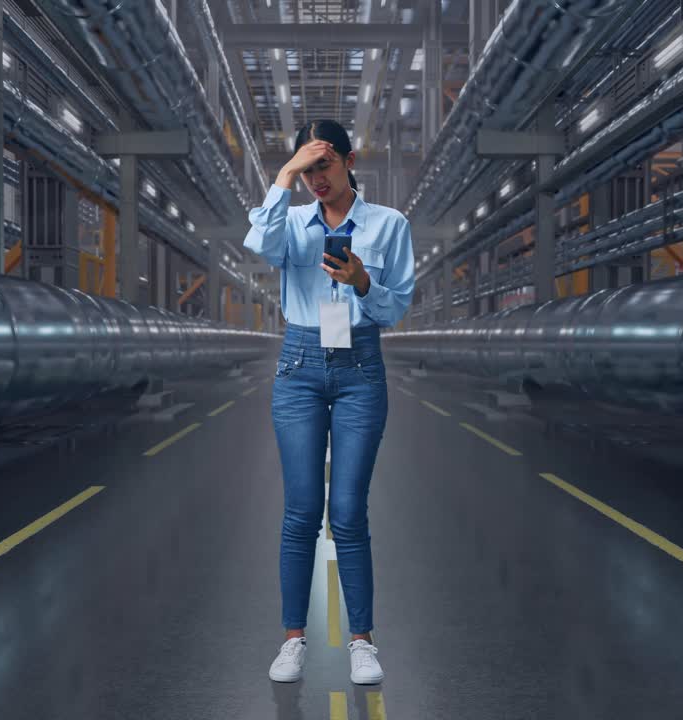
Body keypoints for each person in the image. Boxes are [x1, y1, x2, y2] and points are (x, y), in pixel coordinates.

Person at [243, 119, 415, 686]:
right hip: (299, 367)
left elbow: (395, 311)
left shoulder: (389, 225)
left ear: (349, 160)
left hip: (361, 368)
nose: (316, 178)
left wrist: (364, 282)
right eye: (307, 168)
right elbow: (259, 246)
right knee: (300, 512)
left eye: (325, 165)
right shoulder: (290, 222)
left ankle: (361, 640)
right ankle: (293, 638)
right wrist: (282, 176)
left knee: (346, 512)